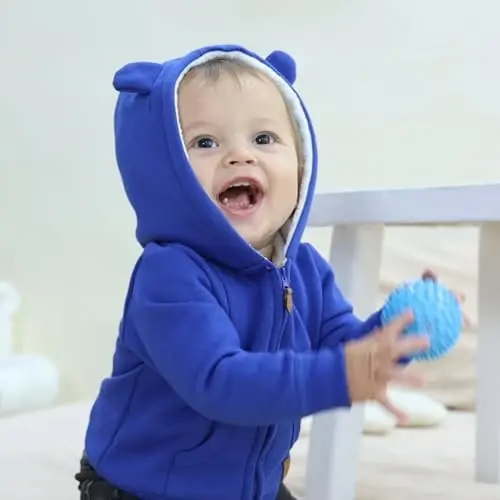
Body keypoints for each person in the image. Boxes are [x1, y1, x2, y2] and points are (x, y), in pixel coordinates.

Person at [75, 44, 435, 500]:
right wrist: (343, 374)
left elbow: (349, 347)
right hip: (144, 489)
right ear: (160, 172)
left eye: (263, 138)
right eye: (205, 143)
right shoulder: (169, 274)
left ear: (300, 160)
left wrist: (401, 326)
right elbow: (220, 382)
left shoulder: (304, 269)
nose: (240, 156)